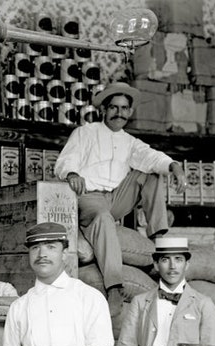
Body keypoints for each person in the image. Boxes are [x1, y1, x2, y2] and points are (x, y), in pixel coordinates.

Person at [54, 81, 188, 320]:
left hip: (116, 198)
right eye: (114, 107)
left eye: (124, 108)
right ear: (103, 110)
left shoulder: (129, 142)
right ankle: (115, 287)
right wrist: (72, 174)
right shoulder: (85, 132)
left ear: (130, 112)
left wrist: (174, 166)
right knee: (104, 218)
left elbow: (151, 156)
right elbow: (66, 161)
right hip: (89, 197)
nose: (119, 113)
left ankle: (156, 235)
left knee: (151, 171)